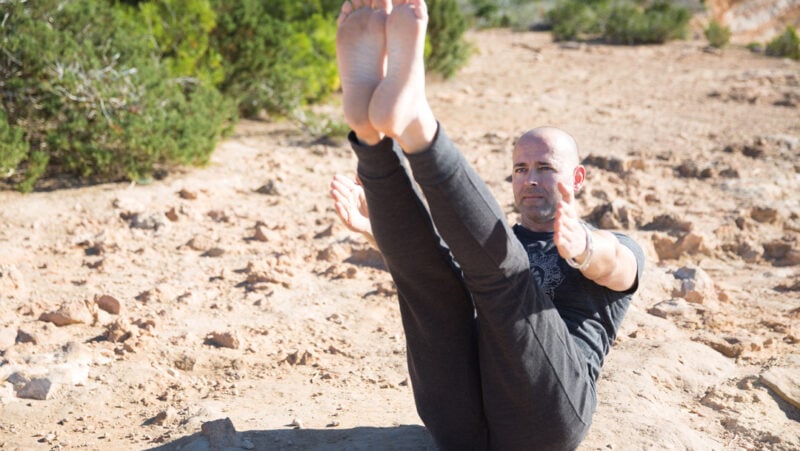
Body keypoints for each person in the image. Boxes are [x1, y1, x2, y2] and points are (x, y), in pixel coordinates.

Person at [330, 1, 645, 449]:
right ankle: (370, 136)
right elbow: (436, 262)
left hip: (546, 418)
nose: (531, 179)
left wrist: (586, 249)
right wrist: (373, 229)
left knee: (506, 276)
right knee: (430, 283)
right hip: (461, 422)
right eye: (520, 169)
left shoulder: (612, 243)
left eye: (544, 167)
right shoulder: (498, 243)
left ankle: (417, 124)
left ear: (576, 178)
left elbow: (617, 267)